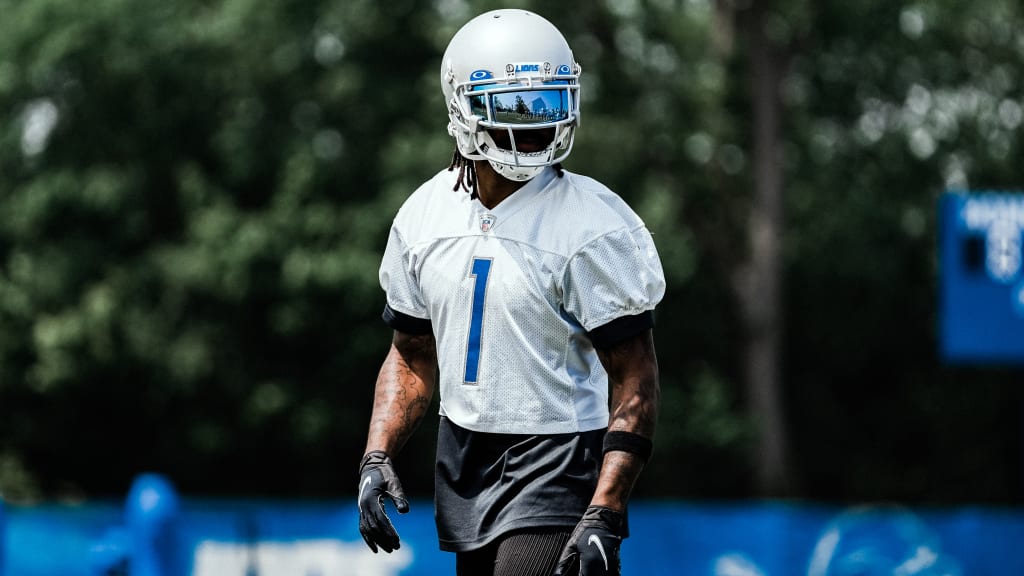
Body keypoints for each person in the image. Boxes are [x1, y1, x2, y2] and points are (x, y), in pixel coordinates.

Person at [357, 8, 665, 576]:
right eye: (512, 107)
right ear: (462, 108)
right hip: (464, 461)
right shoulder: (424, 215)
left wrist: (606, 510)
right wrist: (377, 455)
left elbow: (634, 376)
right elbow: (411, 353)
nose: (533, 125)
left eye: (546, 104)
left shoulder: (593, 225)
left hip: (560, 459)